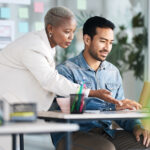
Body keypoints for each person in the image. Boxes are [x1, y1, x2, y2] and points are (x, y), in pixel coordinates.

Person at [0, 6, 129, 111]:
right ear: (50, 28)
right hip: (7, 102)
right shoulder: (34, 47)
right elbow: (51, 81)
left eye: (73, 31)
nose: (71, 37)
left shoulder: (47, 47)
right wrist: (93, 93)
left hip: (16, 105)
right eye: (67, 31)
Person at [51, 16, 150, 150]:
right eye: (103, 41)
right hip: (73, 134)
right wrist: (112, 107)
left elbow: (121, 111)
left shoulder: (113, 72)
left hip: (106, 133)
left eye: (110, 42)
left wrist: (137, 127)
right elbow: (73, 108)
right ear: (87, 39)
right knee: (105, 148)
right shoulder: (66, 71)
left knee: (144, 141)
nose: (107, 48)